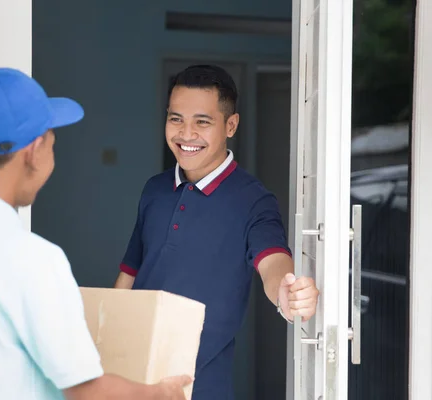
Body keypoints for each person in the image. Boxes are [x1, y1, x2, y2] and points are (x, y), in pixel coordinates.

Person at [0, 68, 191, 400]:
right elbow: (86, 392)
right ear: (35, 150)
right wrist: (160, 394)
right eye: (53, 140)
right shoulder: (33, 261)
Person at [114, 65, 321, 399]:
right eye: (176, 118)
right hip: (131, 377)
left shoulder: (252, 200)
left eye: (202, 122)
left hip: (199, 387)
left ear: (231, 125)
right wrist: (105, 342)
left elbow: (272, 261)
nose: (186, 133)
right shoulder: (154, 189)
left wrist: (287, 292)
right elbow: (130, 270)